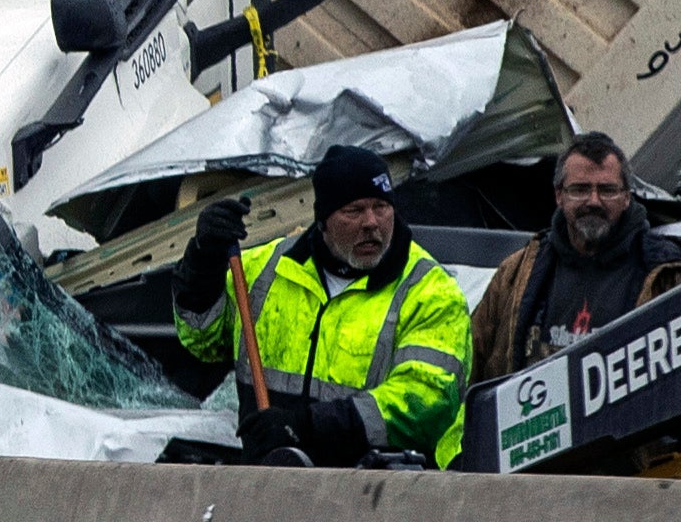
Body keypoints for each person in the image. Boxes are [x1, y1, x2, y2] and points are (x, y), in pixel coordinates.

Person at [174, 144, 472, 468]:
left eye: (381, 207)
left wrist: (306, 427)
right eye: (354, 211)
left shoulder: (430, 291)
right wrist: (203, 261)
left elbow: (426, 400)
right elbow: (200, 339)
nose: (371, 222)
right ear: (324, 220)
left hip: (376, 496)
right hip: (270, 482)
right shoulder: (265, 270)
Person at [470, 133, 681, 380]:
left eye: (607, 190)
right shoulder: (515, 275)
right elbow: (471, 367)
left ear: (627, 197)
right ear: (559, 195)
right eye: (580, 189)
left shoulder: (666, 278)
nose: (593, 201)